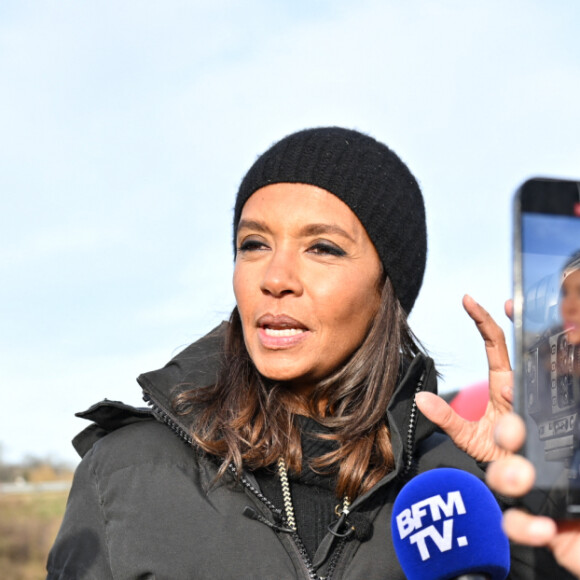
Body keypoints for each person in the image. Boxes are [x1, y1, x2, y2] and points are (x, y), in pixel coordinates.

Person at [46, 127, 567, 579]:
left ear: (389, 290)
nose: (275, 279)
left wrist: (540, 493)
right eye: (253, 244)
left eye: (322, 248)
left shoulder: (456, 486)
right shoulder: (125, 472)